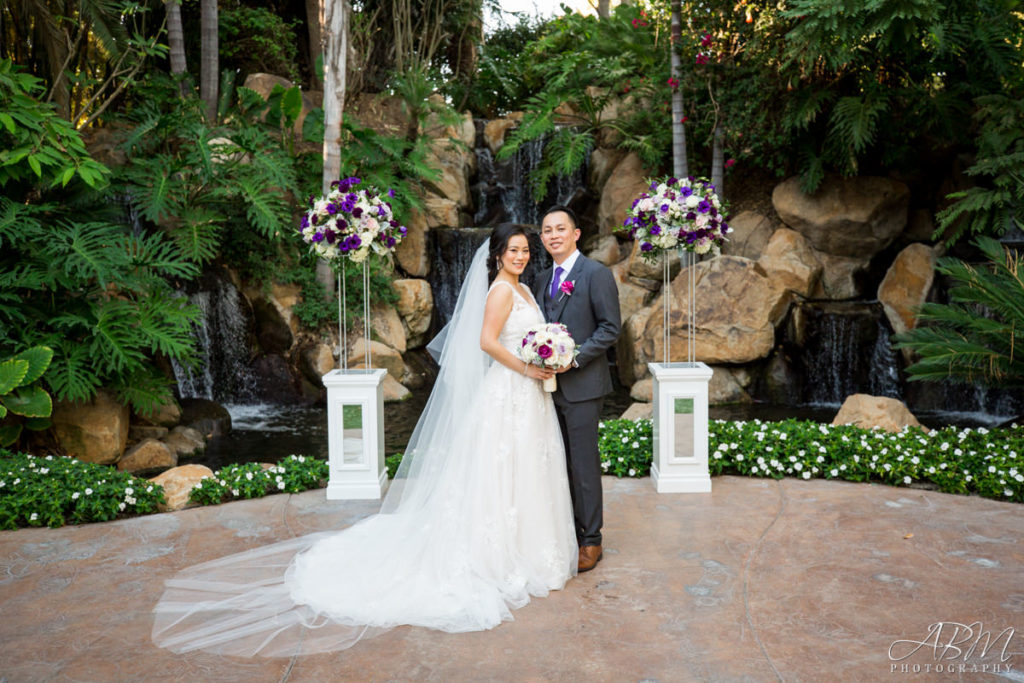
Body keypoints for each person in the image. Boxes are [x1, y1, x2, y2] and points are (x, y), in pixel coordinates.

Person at [152, 225, 578, 657]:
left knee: (524, 468)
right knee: (503, 469)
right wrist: (528, 368)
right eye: (514, 250)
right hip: (509, 392)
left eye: (525, 250)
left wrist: (545, 355)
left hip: (526, 396)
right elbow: (486, 342)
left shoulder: (522, 290)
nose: (521, 256)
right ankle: (502, 556)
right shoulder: (500, 293)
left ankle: (526, 548)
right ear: (498, 255)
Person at [533, 206, 621, 573]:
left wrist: (575, 357)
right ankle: (565, 531)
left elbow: (610, 328)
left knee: (583, 464)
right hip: (545, 388)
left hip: (583, 384)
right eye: (548, 230)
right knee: (555, 461)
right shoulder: (539, 279)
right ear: (542, 238)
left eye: (560, 229)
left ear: (576, 233)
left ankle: (591, 540)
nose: (554, 235)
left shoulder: (595, 274)